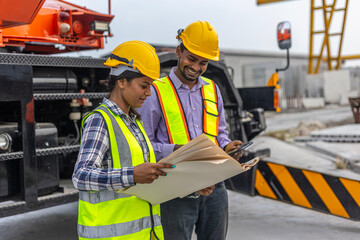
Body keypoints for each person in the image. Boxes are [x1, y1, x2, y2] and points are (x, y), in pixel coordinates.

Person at [138, 21, 243, 240]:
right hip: (176, 187)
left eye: (203, 62)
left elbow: (220, 132)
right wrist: (177, 149)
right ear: (179, 51)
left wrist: (226, 146)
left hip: (214, 186)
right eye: (191, 59)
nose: (196, 67)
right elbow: (143, 145)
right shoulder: (156, 91)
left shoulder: (212, 89)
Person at [72, 40, 175, 240]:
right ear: (122, 82)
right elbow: (81, 176)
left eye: (151, 86)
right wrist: (132, 175)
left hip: (148, 233)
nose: (149, 93)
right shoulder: (100, 120)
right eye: (144, 85)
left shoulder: (134, 121)